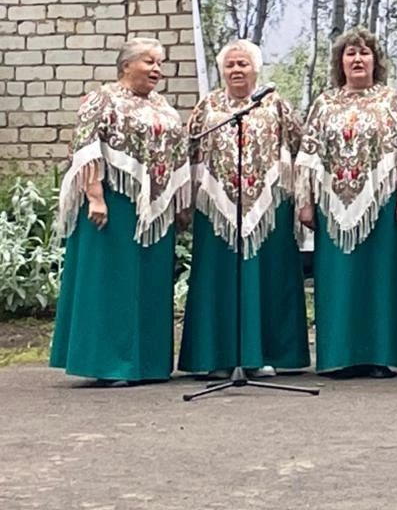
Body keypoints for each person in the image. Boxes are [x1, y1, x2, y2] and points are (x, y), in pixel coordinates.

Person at [50, 37, 191, 386]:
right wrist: (95, 196)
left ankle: (148, 364)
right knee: (112, 280)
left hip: (154, 211)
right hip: (115, 203)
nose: (156, 69)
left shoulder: (162, 105)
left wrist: (179, 202)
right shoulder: (102, 98)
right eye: (149, 61)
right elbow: (86, 147)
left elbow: (177, 154)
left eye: (159, 63)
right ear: (126, 65)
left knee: (150, 282)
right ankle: (108, 364)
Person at [178, 39, 309, 378]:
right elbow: (188, 154)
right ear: (222, 70)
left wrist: (302, 198)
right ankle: (215, 358)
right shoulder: (207, 107)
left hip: (269, 208)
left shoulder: (275, 105)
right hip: (216, 210)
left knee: (269, 278)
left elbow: (301, 151)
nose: (237, 70)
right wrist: (184, 202)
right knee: (218, 280)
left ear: (256, 69)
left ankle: (265, 354)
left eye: (243, 63)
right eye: (230, 64)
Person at [294, 28, 397, 378]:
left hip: (383, 203)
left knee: (380, 278)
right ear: (340, 62)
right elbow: (308, 157)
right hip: (333, 204)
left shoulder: (393, 102)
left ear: (376, 61)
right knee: (338, 280)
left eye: (364, 53)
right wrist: (305, 203)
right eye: (350, 53)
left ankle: (378, 356)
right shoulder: (324, 104)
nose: (358, 59)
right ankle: (339, 356)